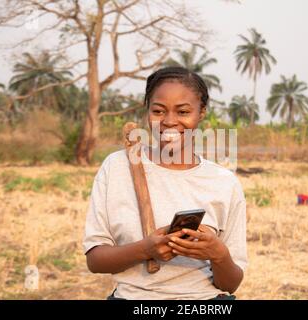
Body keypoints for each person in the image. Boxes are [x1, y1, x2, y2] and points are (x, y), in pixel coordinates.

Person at [83, 66, 248, 300]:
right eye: (159, 111)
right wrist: (145, 249)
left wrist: (218, 254)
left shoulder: (224, 182)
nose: (169, 122)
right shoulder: (117, 167)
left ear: (201, 113)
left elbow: (231, 284)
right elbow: (95, 261)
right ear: (147, 110)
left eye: (183, 112)